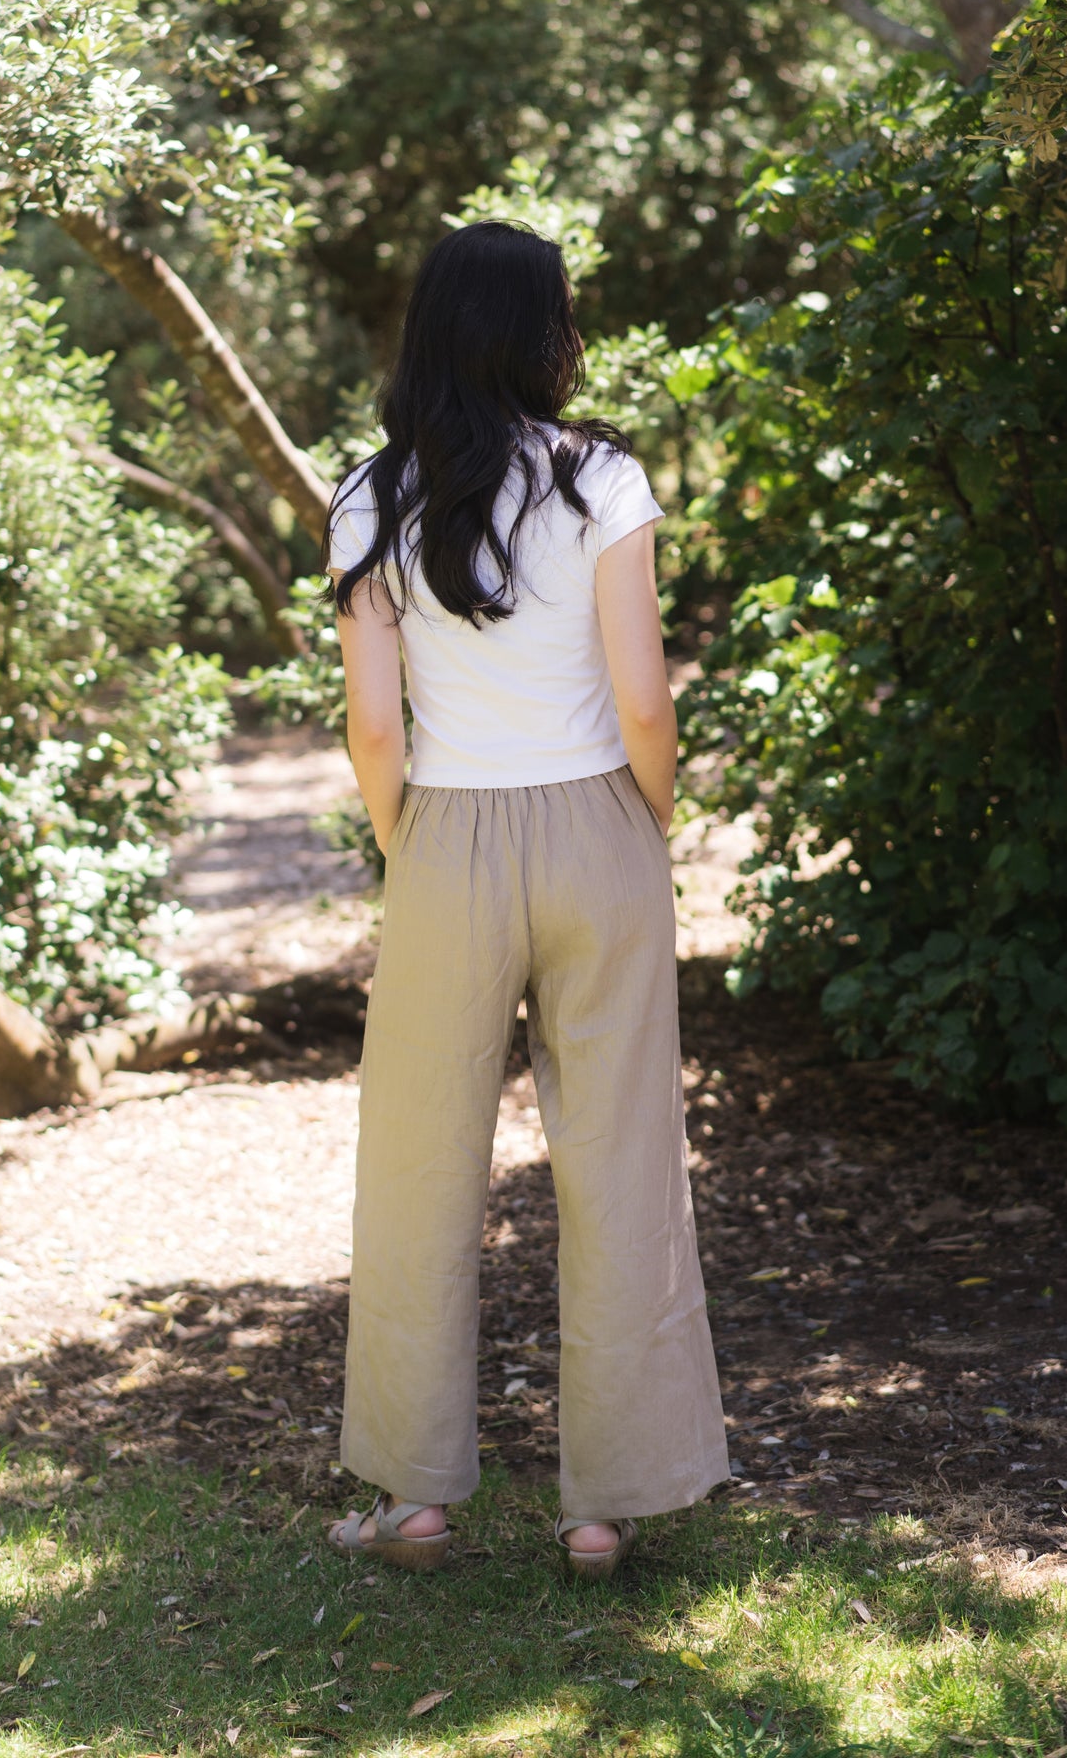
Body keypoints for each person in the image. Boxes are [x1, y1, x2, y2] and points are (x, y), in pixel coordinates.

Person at [323, 219, 728, 1579]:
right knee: (616, 1159)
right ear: (542, 331)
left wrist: (410, 846)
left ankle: (415, 1499)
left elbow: (373, 729)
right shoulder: (599, 479)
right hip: (597, 827)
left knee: (416, 1171)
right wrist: (643, 829)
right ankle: (607, 1507)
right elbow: (641, 698)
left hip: (445, 837)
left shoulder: (371, 495)